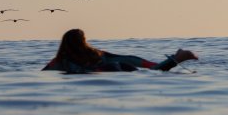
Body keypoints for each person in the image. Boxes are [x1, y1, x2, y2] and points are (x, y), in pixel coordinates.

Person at [42, 29, 198, 73]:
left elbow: (45, 72)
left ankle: (176, 59)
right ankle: (175, 58)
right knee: (154, 69)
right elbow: (127, 58)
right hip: (118, 66)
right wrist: (151, 64)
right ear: (83, 41)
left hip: (108, 69)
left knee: (154, 70)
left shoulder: (60, 61)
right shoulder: (96, 53)